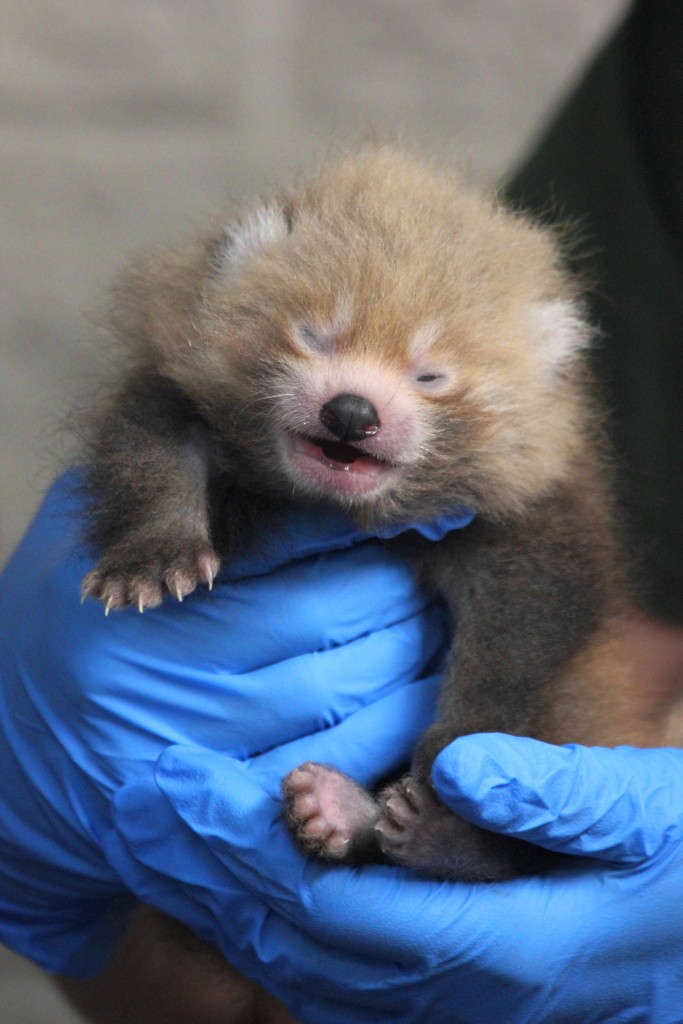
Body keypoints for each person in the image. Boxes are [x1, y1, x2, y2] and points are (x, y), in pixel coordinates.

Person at [2, 2, 683, 1022]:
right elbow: (161, 419)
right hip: (213, 870)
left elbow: (582, 645)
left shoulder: (529, 484)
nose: (358, 398)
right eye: (320, 337)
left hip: (435, 792)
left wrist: (465, 770)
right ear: (238, 274)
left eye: (428, 374)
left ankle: (432, 831)